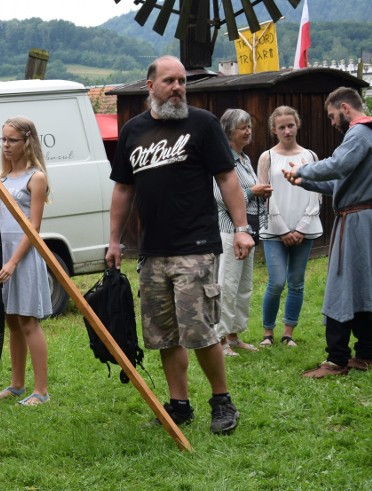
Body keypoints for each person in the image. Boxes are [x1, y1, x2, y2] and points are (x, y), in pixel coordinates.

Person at [106, 56, 254, 435]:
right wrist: (114, 240)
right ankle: (179, 404)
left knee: (201, 330)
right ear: (150, 85)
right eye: (169, 81)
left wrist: (241, 227)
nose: (177, 88)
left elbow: (227, 179)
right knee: (164, 334)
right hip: (153, 251)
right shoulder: (132, 132)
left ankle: (222, 401)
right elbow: (123, 188)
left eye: (182, 82)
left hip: (197, 245)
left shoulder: (202, 125)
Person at [283, 86, 372, 377]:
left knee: (341, 288)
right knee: (362, 288)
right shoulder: (365, 135)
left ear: (345, 108)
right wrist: (303, 181)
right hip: (361, 221)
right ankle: (367, 354)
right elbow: (339, 184)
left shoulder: (358, 134)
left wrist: (303, 170)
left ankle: (337, 360)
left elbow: (338, 165)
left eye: (333, 116)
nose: (333, 122)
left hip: (357, 224)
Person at [0, 117, 51, 406]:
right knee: (11, 320)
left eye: (12, 140)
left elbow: (33, 227)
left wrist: (13, 262)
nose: (7, 145)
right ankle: (16, 384)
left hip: (23, 255)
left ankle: (41, 391)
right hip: (3, 253)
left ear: (27, 142)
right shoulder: (1, 178)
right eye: (4, 140)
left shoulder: (35, 177)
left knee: (27, 321)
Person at [256, 106, 322, 349]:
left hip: (305, 228)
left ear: (298, 125)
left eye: (290, 125)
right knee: (277, 281)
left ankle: (288, 333)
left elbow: (317, 194)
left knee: (296, 281)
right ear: (274, 129)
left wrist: (302, 227)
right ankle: (267, 332)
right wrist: (283, 229)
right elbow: (264, 194)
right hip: (275, 230)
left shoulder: (310, 156)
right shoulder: (267, 157)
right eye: (281, 127)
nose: (287, 130)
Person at [214, 109, 272, 357]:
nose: (248, 131)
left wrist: (261, 192)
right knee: (227, 285)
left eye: (249, 126)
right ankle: (220, 339)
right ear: (229, 132)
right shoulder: (222, 159)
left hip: (248, 230)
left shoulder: (245, 158)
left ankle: (235, 335)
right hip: (228, 231)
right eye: (243, 128)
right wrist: (253, 192)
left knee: (244, 285)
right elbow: (220, 197)